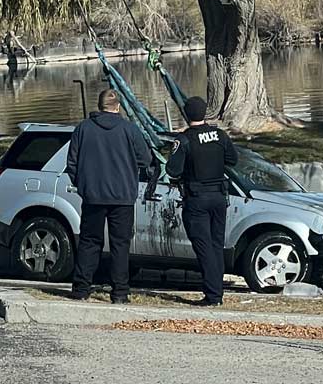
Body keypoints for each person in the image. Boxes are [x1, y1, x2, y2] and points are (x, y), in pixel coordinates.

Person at [65, 89, 151, 304]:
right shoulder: (130, 129)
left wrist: (83, 185)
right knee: (120, 244)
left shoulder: (83, 129)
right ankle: (120, 292)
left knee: (89, 242)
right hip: (122, 197)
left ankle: (81, 289)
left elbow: (72, 163)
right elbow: (146, 158)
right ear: (118, 107)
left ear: (99, 106)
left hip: (93, 196)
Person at [166, 96, 237, 306]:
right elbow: (232, 160)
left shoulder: (184, 139)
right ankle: (217, 292)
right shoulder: (220, 135)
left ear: (186, 115)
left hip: (197, 199)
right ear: (205, 113)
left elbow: (173, 170)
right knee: (216, 245)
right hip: (219, 197)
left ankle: (213, 295)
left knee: (203, 246)